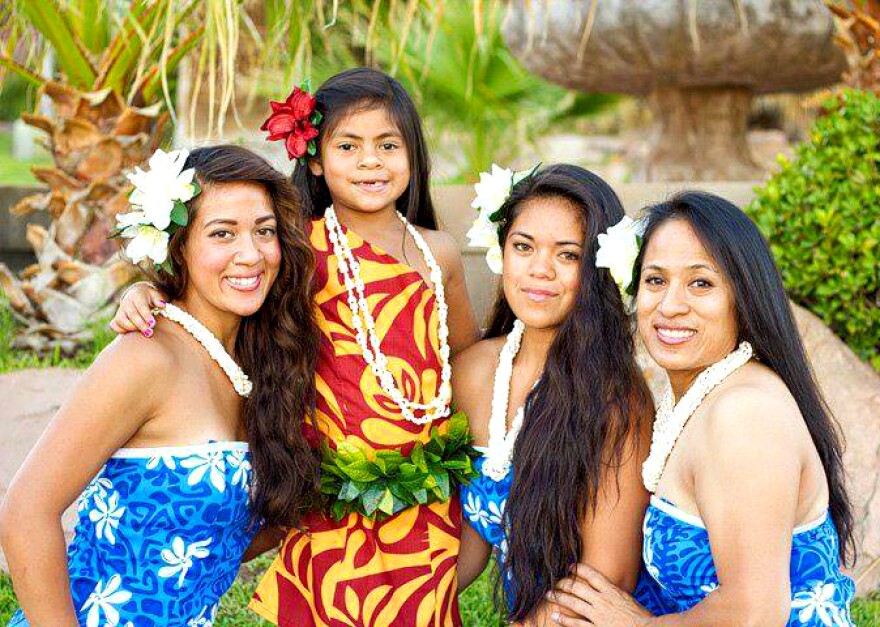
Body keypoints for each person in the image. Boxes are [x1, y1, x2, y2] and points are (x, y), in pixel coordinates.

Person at [108, 68, 480, 626]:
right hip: (329, 495)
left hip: (423, 494)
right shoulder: (297, 248)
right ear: (313, 158)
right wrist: (143, 289)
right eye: (348, 146)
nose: (371, 161)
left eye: (388, 145)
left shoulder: (439, 252)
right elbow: (223, 293)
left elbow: (463, 358)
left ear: (413, 153)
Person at [0, 145, 320, 625]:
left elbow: (217, 540)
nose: (250, 254)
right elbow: (26, 512)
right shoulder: (145, 356)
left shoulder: (261, 364)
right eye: (222, 234)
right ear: (178, 245)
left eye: (265, 231)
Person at [547, 191, 855, 627]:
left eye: (701, 283)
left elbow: (755, 614)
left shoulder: (745, 414)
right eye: (655, 280)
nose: (670, 305)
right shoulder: (702, 396)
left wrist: (637, 625)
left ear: (742, 296)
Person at [453, 164, 654, 625]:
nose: (539, 270)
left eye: (567, 255)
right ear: (501, 251)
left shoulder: (616, 399)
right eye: (523, 247)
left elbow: (608, 577)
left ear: (598, 270)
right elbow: (473, 533)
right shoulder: (472, 370)